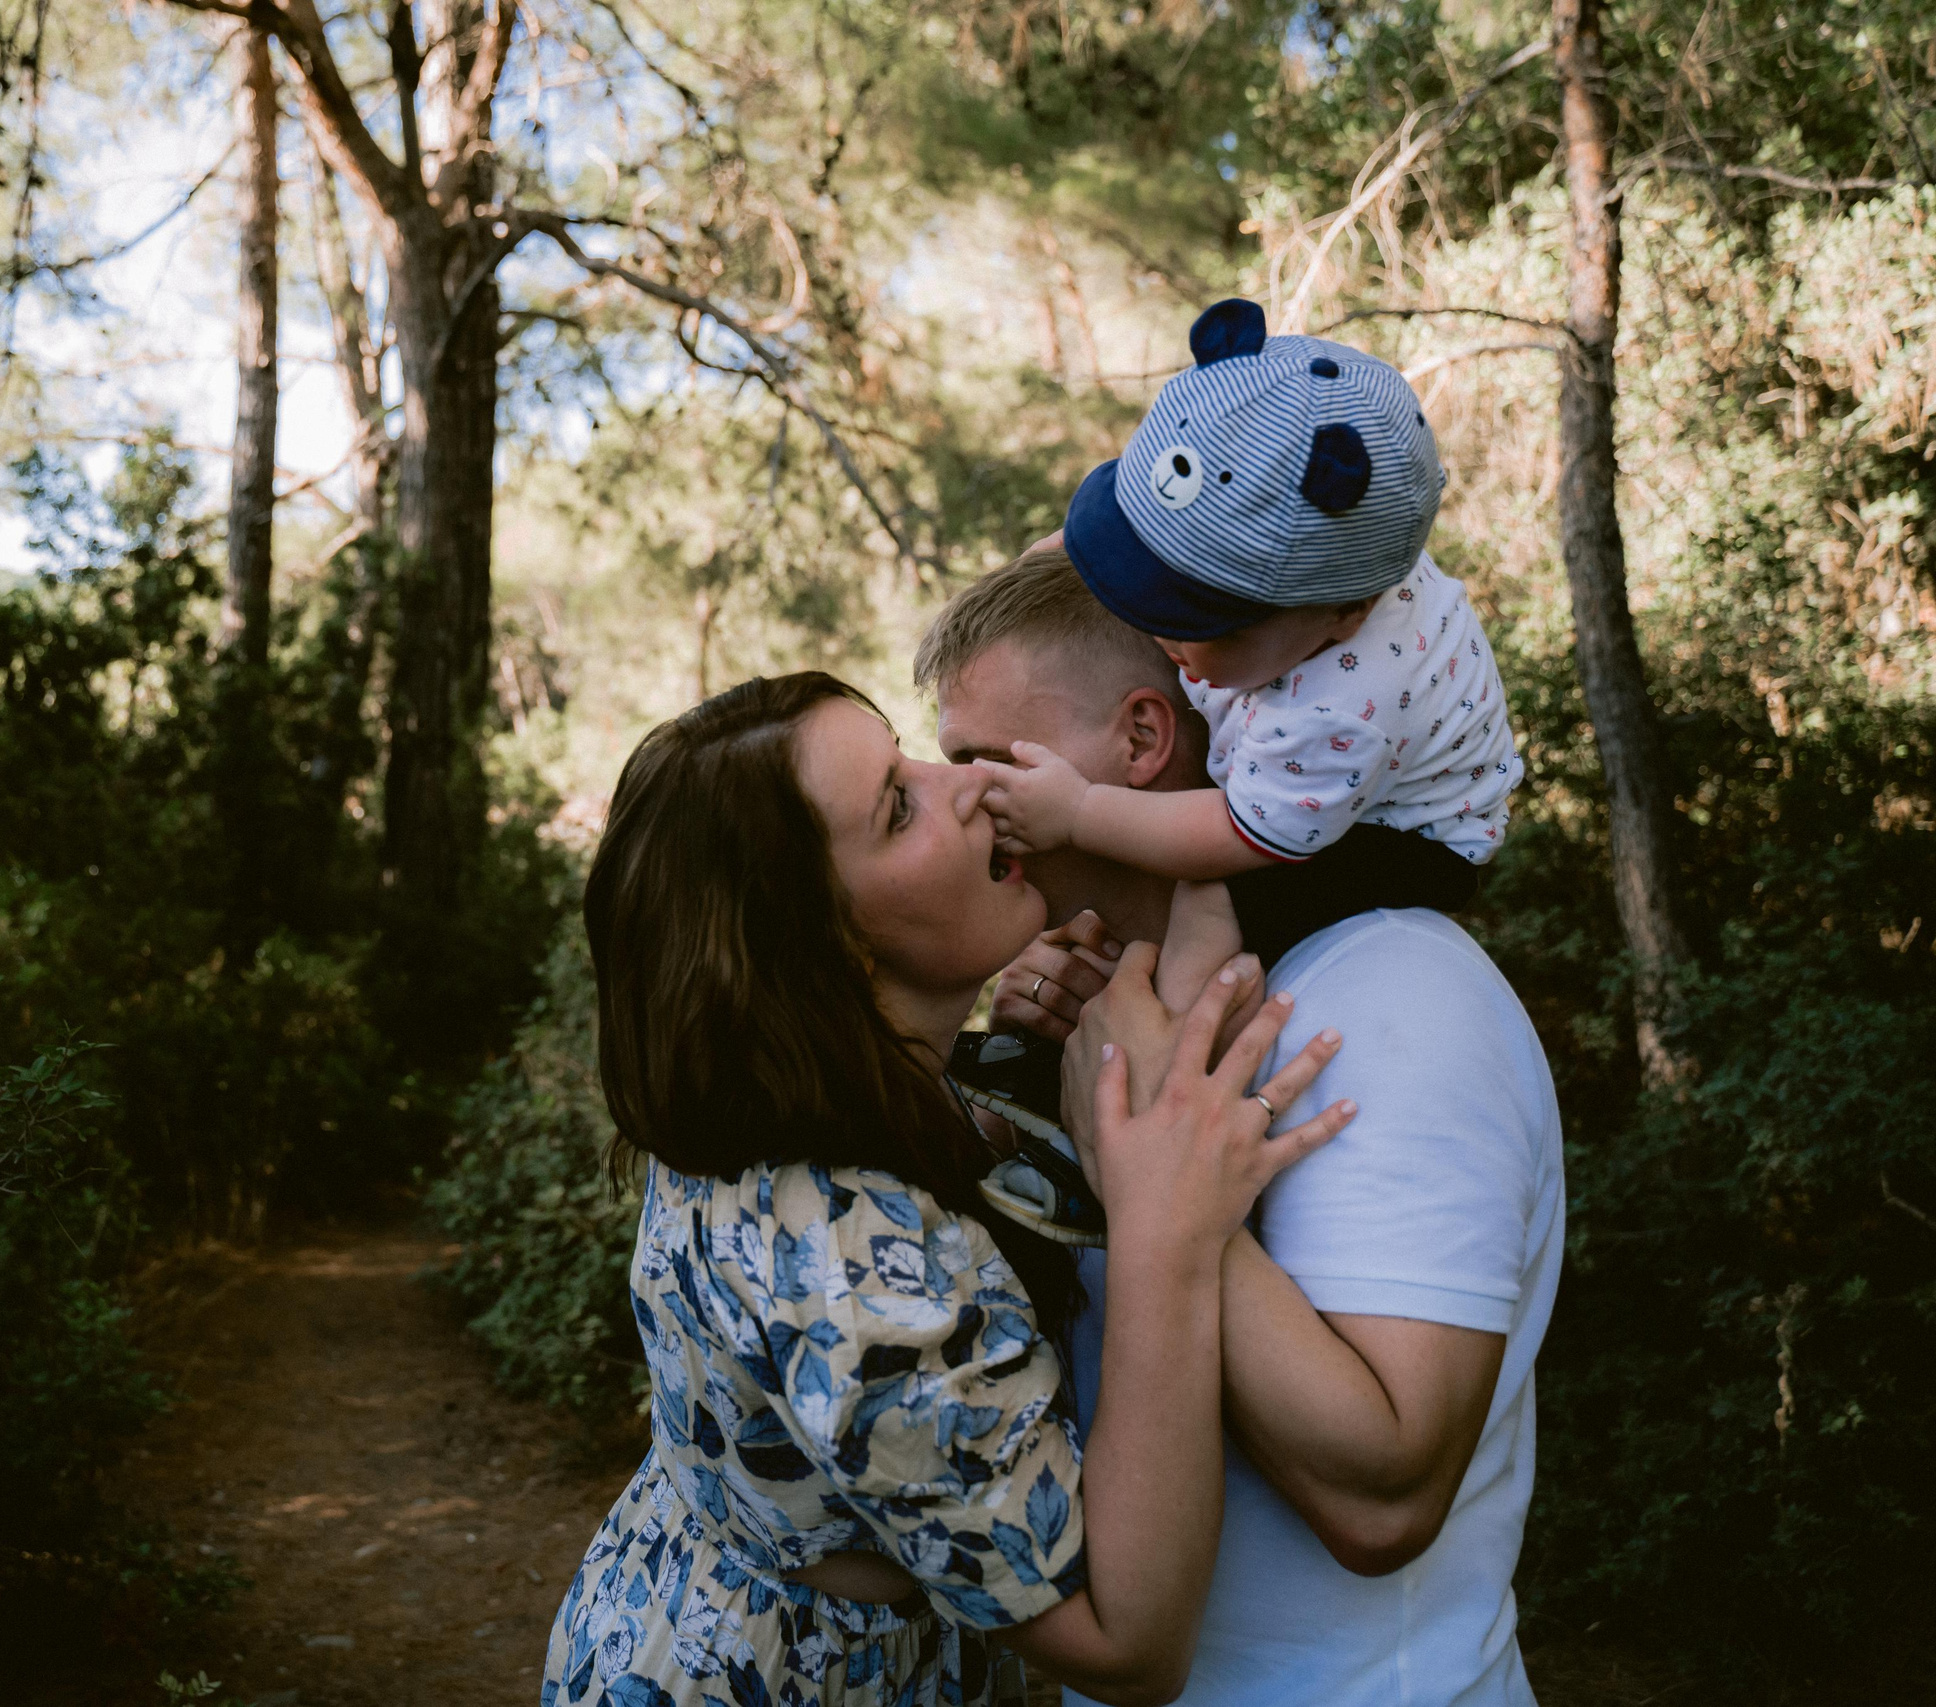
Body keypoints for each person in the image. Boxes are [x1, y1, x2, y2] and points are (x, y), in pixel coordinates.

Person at [541, 672, 1356, 1707]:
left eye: (911, 754)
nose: (963, 784)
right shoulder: (848, 1265)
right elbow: (1124, 1643)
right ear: (822, 947)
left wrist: (1017, 1047)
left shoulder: (781, 1101)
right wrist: (1167, 1232)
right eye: (897, 805)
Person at [917, 546, 1567, 1707]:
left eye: (983, 759)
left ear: (1140, 739)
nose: (963, 797)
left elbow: (1386, 1499)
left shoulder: (1395, 999)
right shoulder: (1133, 1013)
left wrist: (1148, 1151)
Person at [973, 299, 1523, 997]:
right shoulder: (1324, 562)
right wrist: (1066, 558)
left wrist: (1078, 812)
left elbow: (1235, 831)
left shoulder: (1336, 713)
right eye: (1149, 579)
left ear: (1344, 616)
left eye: (1206, 620)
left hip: (1406, 835)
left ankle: (1165, 1047)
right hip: (1340, 734)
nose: (1166, 631)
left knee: (1210, 896)